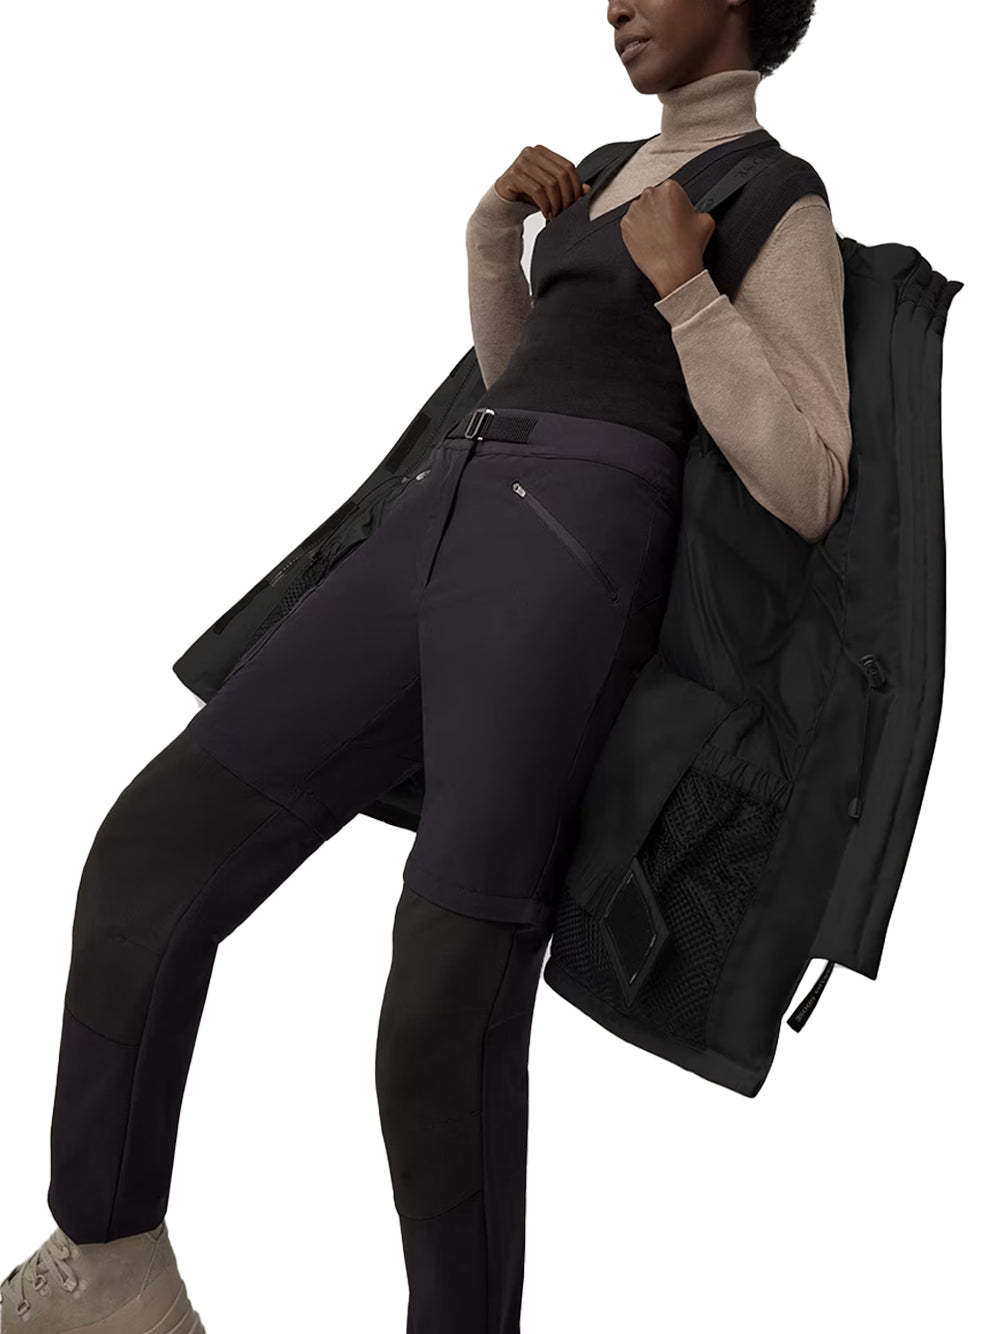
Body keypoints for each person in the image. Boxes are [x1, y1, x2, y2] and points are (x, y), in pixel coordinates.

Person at [0, 2, 850, 1331]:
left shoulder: (774, 195)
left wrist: (689, 289)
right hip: (448, 506)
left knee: (443, 994)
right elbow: (521, 377)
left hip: (574, 553)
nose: (616, 4)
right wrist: (490, 241)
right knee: (150, 849)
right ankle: (110, 1265)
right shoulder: (596, 170)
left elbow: (809, 479)